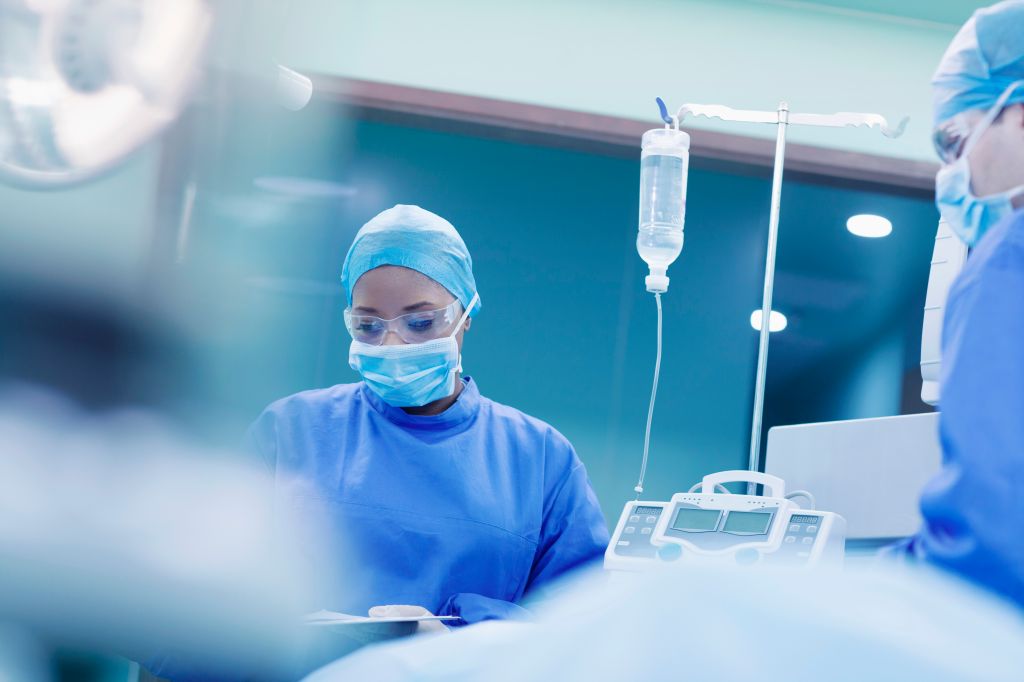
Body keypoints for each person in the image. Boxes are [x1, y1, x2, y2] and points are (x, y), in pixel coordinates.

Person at [246, 204, 609, 626]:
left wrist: (460, 635)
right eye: (368, 326)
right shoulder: (290, 432)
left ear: (466, 315)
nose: (393, 344)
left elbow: (581, 628)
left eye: (420, 323)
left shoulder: (540, 459)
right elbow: (192, 606)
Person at [889, 1, 1024, 608]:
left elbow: (990, 548)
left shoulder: (1009, 261)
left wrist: (854, 592)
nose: (952, 172)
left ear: (1018, 115)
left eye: (954, 141)